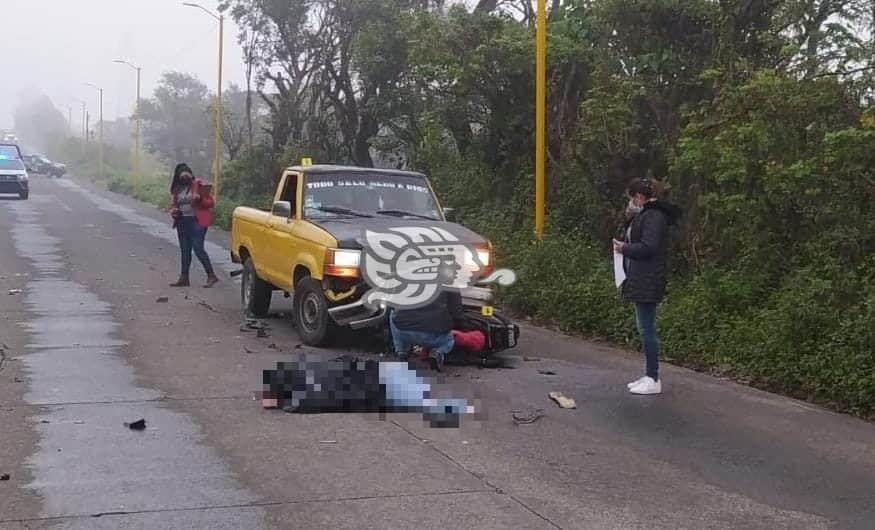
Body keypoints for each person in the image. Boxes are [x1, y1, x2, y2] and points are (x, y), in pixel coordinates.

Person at [613, 178, 681, 395]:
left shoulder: (654, 217)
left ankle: (653, 376)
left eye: (631, 199)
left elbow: (648, 247)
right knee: (644, 327)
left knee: (646, 329)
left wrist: (625, 249)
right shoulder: (645, 215)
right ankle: (649, 375)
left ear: (639, 197)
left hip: (649, 278)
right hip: (641, 277)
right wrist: (630, 220)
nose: (630, 203)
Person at [389, 290, 467, 372]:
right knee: (449, 339)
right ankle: (437, 352)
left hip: (403, 330)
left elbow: (391, 303)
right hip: (432, 335)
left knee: (393, 314)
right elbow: (456, 312)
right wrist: (464, 328)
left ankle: (402, 351)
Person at [169, 163, 219, 288]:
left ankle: (211, 275)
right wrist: (174, 210)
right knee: (185, 250)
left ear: (191, 175)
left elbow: (211, 202)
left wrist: (200, 199)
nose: (185, 178)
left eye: (187, 175)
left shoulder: (199, 185)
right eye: (182, 176)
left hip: (197, 221)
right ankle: (184, 277)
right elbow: (175, 204)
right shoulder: (177, 189)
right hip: (182, 221)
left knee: (198, 248)